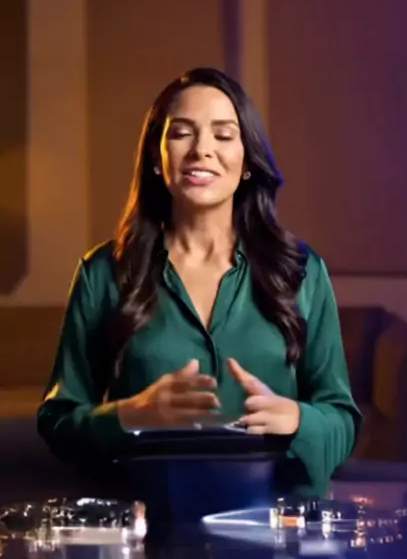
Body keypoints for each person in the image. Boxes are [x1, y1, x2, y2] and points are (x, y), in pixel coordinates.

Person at [37, 67, 361, 508]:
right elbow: (57, 421)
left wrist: (297, 419)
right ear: (157, 158)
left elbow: (342, 419)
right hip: (147, 531)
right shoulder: (103, 273)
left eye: (223, 135)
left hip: (279, 533)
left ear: (247, 162)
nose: (202, 150)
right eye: (182, 133)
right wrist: (129, 415)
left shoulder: (302, 272)